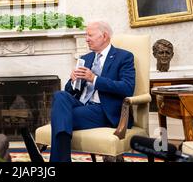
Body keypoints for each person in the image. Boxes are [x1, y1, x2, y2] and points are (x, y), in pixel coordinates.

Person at [49, 21, 135, 162]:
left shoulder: (124, 57)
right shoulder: (85, 58)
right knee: (60, 95)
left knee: (59, 117)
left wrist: (94, 79)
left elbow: (127, 87)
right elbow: (70, 91)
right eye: (86, 35)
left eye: (90, 35)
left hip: (104, 109)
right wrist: (73, 81)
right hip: (82, 104)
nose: (86, 39)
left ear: (104, 36)